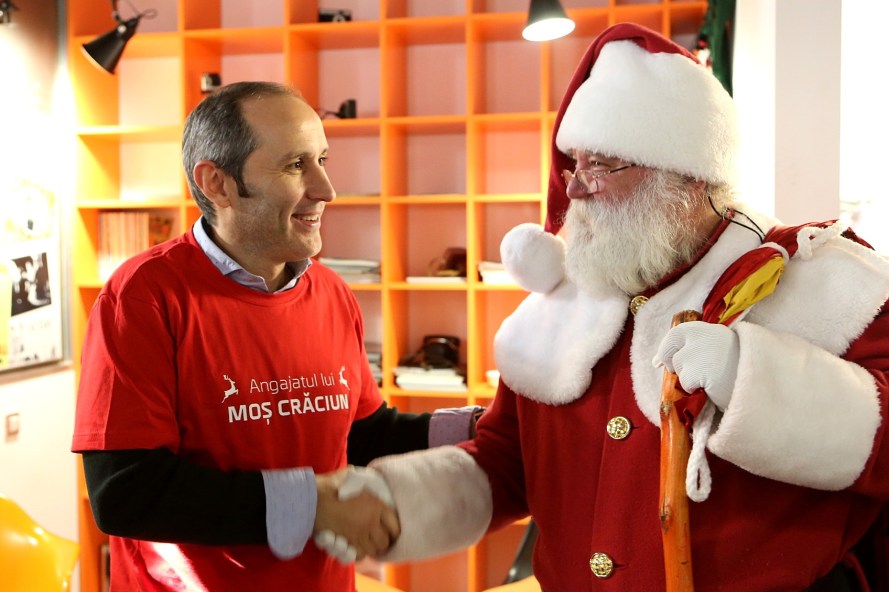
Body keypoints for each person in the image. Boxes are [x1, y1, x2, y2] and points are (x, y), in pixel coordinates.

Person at [362, 23, 889, 591]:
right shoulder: (566, 299)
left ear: (689, 179)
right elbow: (509, 462)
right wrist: (394, 505)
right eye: (576, 163)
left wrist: (754, 379)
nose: (575, 189)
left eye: (602, 165)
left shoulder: (821, 280)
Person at [71, 81, 481, 591]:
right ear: (218, 184)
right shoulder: (141, 297)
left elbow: (359, 435)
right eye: (295, 165)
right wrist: (310, 505)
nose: (326, 189)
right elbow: (125, 493)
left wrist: (484, 426)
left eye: (322, 160)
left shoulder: (332, 292)